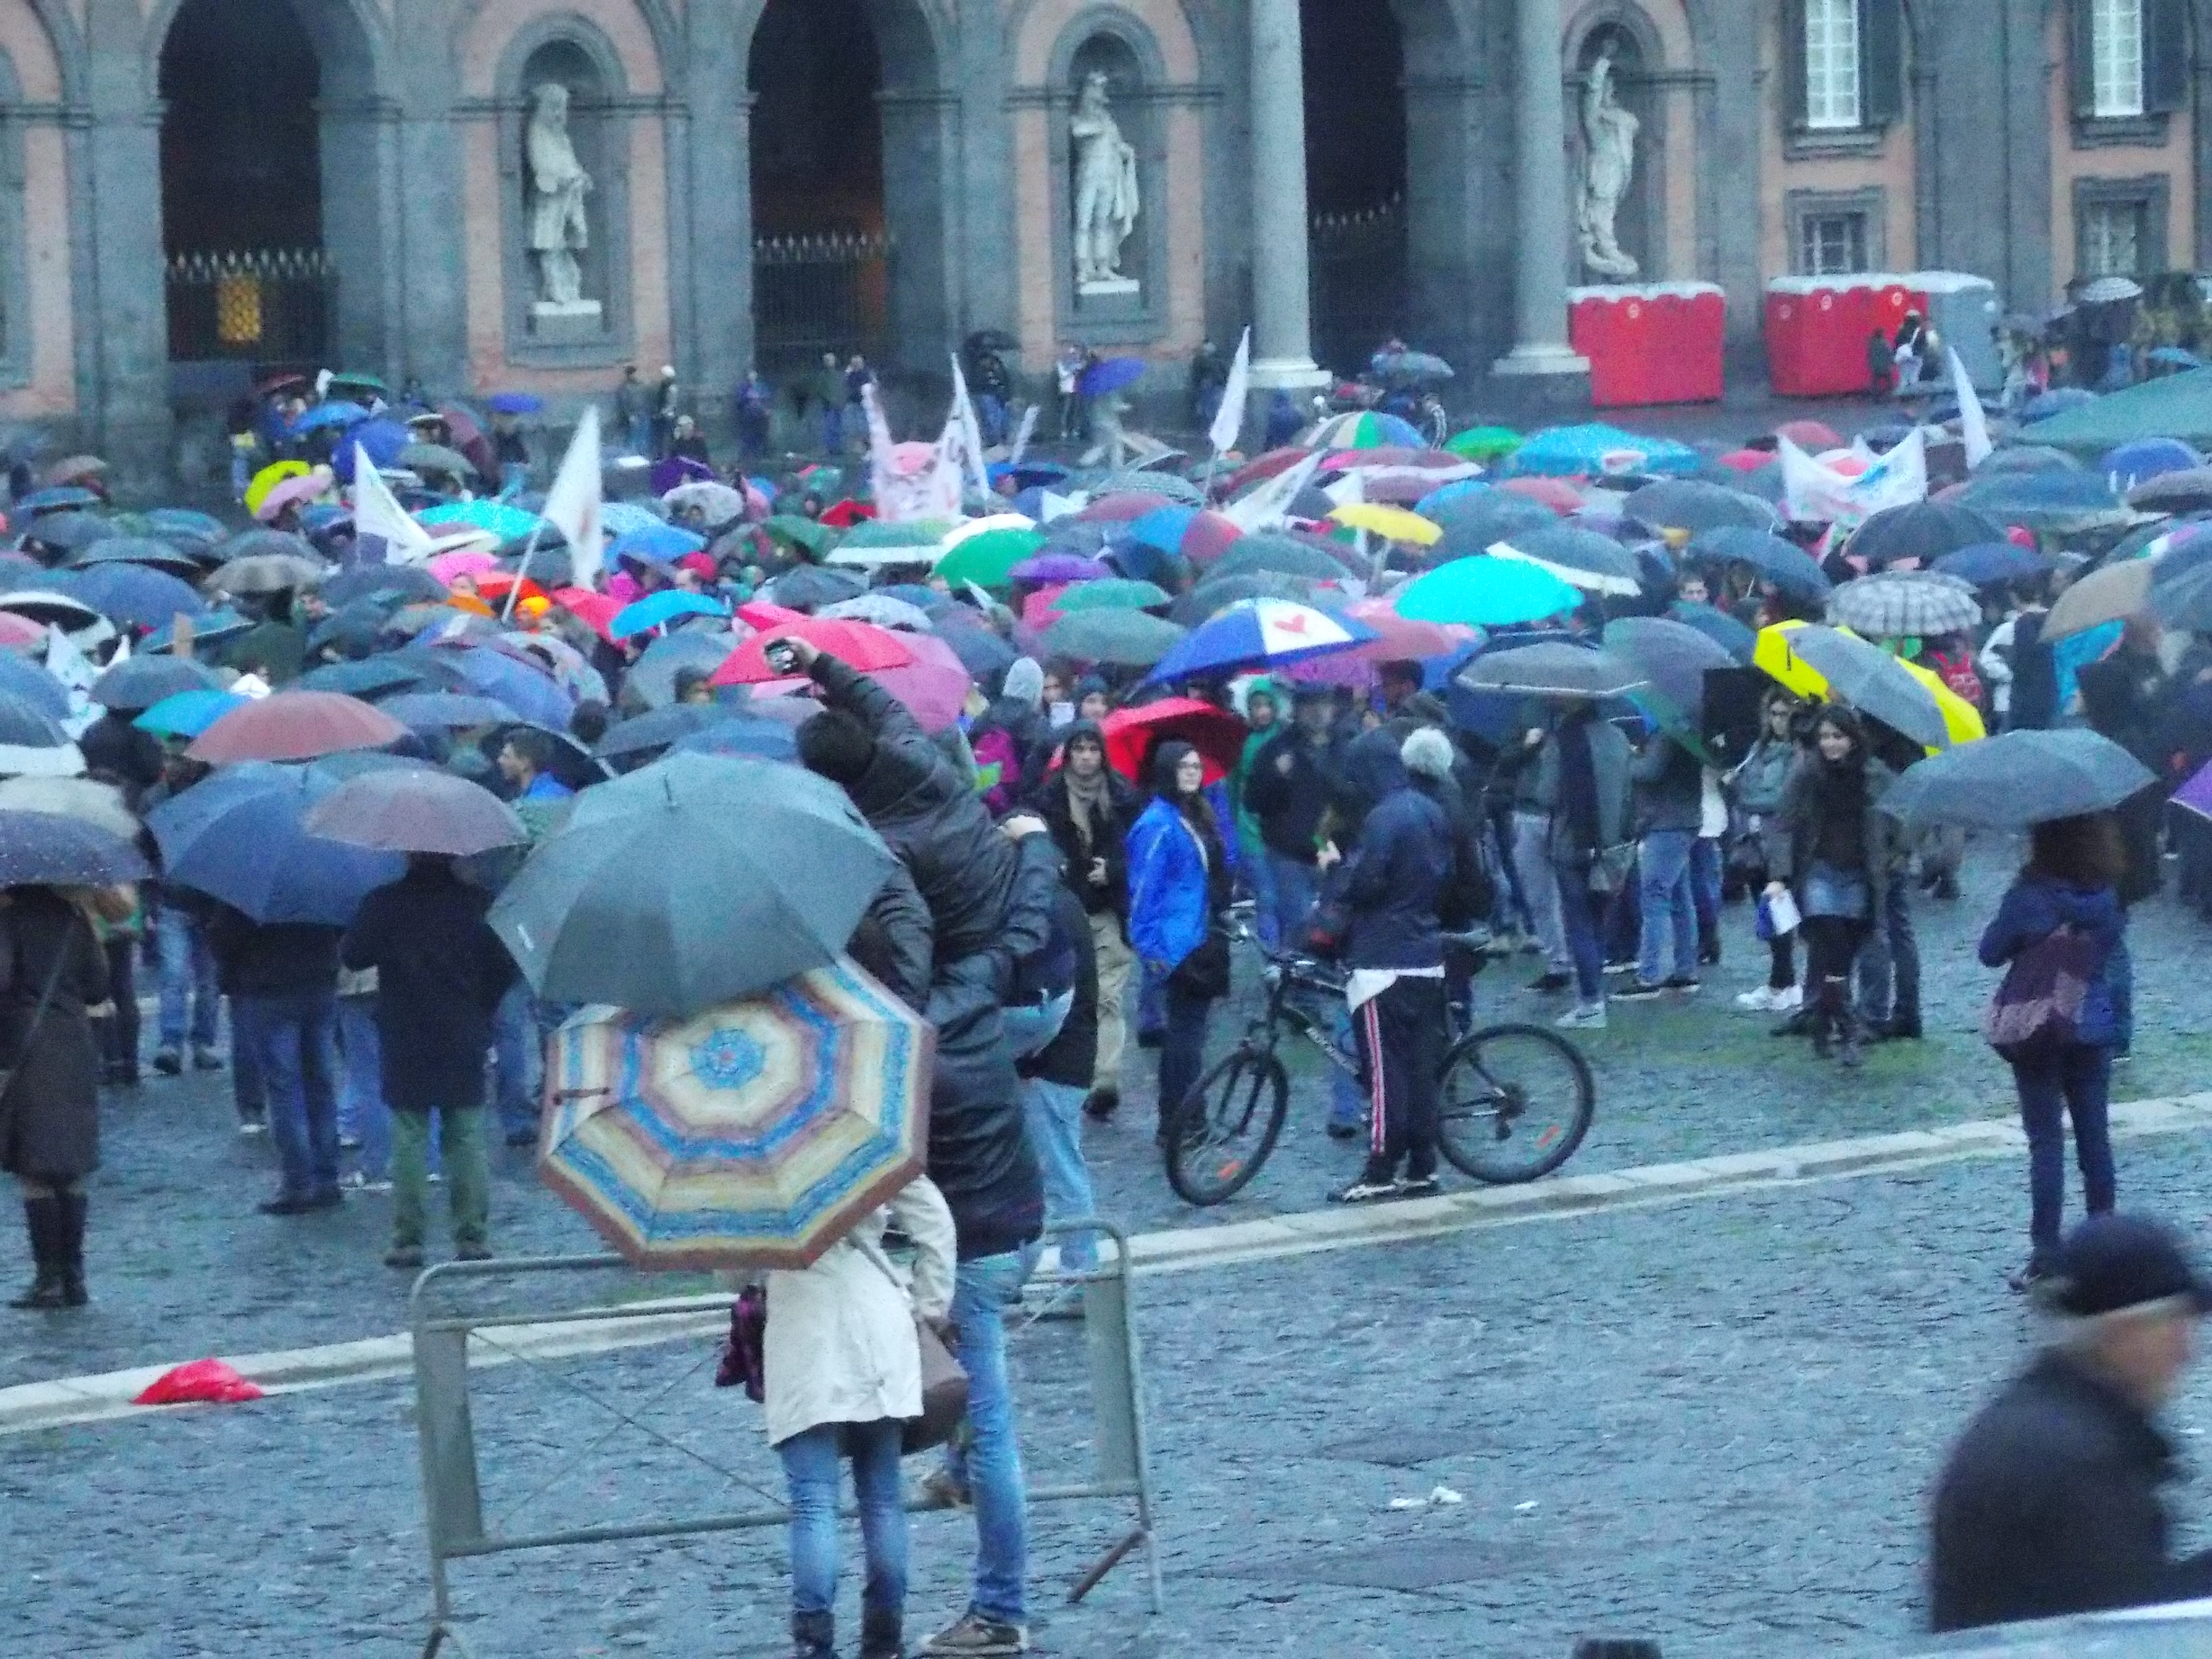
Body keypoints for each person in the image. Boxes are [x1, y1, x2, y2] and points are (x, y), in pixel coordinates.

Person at [1930, 1214, 2212, 1632]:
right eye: (2175, 1327)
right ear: (2124, 1333)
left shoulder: (2045, 1420)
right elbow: (2134, 1631)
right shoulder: (2085, 1467)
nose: (2187, 1352)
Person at [765, 1172, 958, 1659]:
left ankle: (814, 1645)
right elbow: (933, 1218)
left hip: (802, 1328)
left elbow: (732, 1273)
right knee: (883, 1497)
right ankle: (884, 1642)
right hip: (878, 1319)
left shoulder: (751, 1166)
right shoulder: (864, 1136)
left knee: (813, 1503)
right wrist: (932, 1303)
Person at [341, 854, 517, 1267]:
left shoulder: (384, 902)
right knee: (467, 1134)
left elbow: (353, 955)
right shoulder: (479, 904)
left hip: (405, 1030)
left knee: (409, 1134)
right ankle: (472, 1236)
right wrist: (481, 1006)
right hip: (462, 1027)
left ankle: (408, 1239)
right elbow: (504, 966)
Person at [1980, 813, 2128, 1291]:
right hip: (2092, 1022)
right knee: (2095, 1138)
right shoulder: (2107, 895)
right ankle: (2105, 1243)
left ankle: (2047, 1251)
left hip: (2039, 1027)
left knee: (2046, 1143)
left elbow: (1990, 951)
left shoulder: (2029, 896)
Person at [1324, 729, 1455, 1204]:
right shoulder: (1432, 811)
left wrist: (1336, 871)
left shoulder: (1383, 817)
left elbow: (1366, 883)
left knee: (1383, 1072)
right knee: (1420, 1071)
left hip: (1382, 959)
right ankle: (1423, 1164)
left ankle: (1381, 1167)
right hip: (1425, 957)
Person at [1761, 706, 1893, 1068]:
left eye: (1837, 736)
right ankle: (1849, 1031)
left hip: (1859, 875)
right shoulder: (1806, 772)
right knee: (1832, 944)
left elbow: (1901, 817)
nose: (1830, 744)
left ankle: (1822, 1018)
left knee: (1842, 957)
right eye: (1824, 737)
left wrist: (1894, 858)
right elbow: (1782, 823)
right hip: (1818, 871)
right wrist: (1779, 874)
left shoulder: (1873, 775)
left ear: (1852, 738)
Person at [2, 886, 112, 1310]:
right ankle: (75, 1277)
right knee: (72, 1166)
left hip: (26, 1051)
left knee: (34, 1170)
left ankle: (48, 1279)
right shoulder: (73, 918)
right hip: (74, 1046)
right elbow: (98, 988)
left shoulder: (8, 923)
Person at [207, 902, 346, 1214]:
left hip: (268, 986)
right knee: (320, 1084)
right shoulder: (319, 874)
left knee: (285, 1088)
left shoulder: (250, 880)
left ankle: (298, 1182)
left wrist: (232, 973)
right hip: (319, 982)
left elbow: (224, 936)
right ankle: (326, 1177)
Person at [1031, 720, 1138, 1121]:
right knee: (1077, 998)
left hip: (1111, 910)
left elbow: (1140, 854)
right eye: (1080, 749)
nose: (1088, 758)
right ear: (1069, 754)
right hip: (1069, 912)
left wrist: (1114, 870)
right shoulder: (1050, 799)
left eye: (1094, 750)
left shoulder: (1124, 796)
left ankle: (1105, 1079)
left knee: (1109, 996)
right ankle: (1075, 1072)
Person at [1127, 742, 1231, 1141]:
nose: (1192, 773)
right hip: (1180, 945)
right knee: (1186, 1037)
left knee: (1187, 1036)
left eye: (1196, 766)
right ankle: (1182, 1120)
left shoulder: (1191, 815)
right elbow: (1143, 894)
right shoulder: (1158, 824)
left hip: (1199, 936)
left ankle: (1184, 1118)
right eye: (1184, 767)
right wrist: (1154, 952)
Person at [1013, 868, 1102, 1293]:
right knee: (1064, 1168)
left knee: (1062, 1172)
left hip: (1055, 1063)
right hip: (1070, 1058)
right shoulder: (1066, 901)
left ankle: (1078, 1279)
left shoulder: (1049, 911)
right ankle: (1077, 1273)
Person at [1531, 700, 1633, 1030]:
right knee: (1599, 922)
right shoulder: (1618, 737)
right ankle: (1595, 991)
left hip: (1571, 844)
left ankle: (1591, 1002)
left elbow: (1546, 796)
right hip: (1613, 845)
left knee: (1579, 925)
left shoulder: (1560, 742)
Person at [1243, 685, 1344, 950]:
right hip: (1289, 855)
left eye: (1324, 704)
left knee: (1335, 926)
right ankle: (1295, 981)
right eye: (1311, 706)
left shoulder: (1346, 747)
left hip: (1335, 852)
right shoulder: (1276, 750)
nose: (1318, 713)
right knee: (1299, 924)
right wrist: (1276, 776)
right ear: (1297, 711)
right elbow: (1252, 801)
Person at [1730, 691, 1804, 1015]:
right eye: (1773, 713)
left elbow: (1782, 798)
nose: (1778, 721)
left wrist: (1749, 795)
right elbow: (1744, 789)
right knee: (1766, 912)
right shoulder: (1757, 750)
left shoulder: (1798, 754)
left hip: (1782, 843)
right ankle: (1783, 983)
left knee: (1780, 914)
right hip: (1754, 842)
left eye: (1784, 714)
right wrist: (1734, 785)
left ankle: (1782, 984)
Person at [1616, 732, 1704, 1002]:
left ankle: (1649, 975)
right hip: (1684, 820)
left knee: (1655, 897)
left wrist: (1628, 758)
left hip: (1668, 823)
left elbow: (1649, 771)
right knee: (1680, 897)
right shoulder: (1687, 732)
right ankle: (1685, 970)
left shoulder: (1667, 734)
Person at [614, 363, 649, 457]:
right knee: (632, 438)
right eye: (635, 373)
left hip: (642, 415)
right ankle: (631, 456)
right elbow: (624, 404)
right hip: (632, 417)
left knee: (643, 438)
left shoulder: (641, 386)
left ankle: (642, 456)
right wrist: (630, 416)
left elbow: (644, 400)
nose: (638, 375)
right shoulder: (625, 387)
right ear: (630, 375)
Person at [652, 364, 681, 458]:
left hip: (668, 417)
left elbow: (672, 405)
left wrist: (661, 413)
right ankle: (660, 455)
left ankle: (669, 456)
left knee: (668, 438)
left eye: (663, 375)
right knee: (660, 438)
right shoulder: (663, 387)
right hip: (662, 417)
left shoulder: (672, 388)